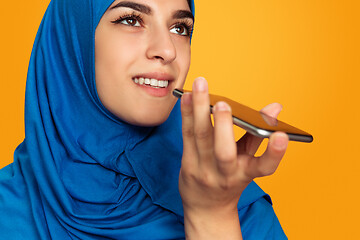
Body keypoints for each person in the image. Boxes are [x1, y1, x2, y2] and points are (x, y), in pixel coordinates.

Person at [0, 0, 289, 239]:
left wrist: (212, 217)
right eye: (131, 20)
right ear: (73, 39)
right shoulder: (7, 212)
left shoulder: (241, 212)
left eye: (180, 28)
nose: (168, 50)